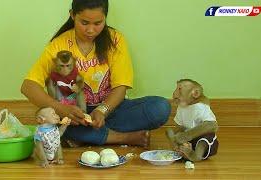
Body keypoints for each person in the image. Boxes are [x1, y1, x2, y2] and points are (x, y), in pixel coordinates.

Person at [21, 0, 171, 148]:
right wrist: (62, 109)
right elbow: (28, 86)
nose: (91, 30)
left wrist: (102, 111)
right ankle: (122, 137)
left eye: (98, 23)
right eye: (84, 23)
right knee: (55, 122)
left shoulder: (115, 40)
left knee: (160, 108)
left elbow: (121, 87)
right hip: (75, 115)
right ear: (73, 15)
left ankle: (87, 137)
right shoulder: (58, 45)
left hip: (111, 109)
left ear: (105, 17)